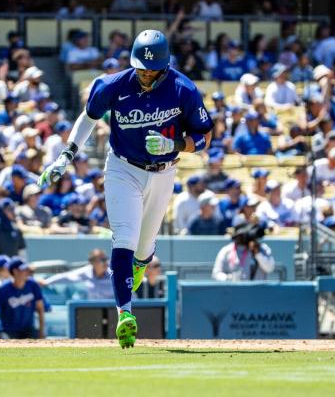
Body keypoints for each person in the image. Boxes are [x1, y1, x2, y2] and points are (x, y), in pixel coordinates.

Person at [39, 29, 214, 349]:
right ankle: (125, 313)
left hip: (164, 172)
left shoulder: (183, 88)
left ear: (164, 67)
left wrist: (174, 143)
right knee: (124, 238)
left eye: (152, 69)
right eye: (141, 67)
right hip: (123, 168)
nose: (145, 74)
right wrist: (66, 156)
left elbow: (205, 137)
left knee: (145, 248)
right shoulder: (113, 84)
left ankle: (137, 267)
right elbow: (88, 117)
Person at [0, 257, 45, 339]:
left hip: (28, 329)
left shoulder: (33, 285)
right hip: (8, 330)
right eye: (23, 269)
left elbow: (40, 308)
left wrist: (41, 332)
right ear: (15, 271)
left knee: (35, 344)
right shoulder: (4, 289)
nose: (27, 272)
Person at [42, 249, 113, 300]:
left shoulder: (114, 274)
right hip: (93, 309)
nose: (106, 262)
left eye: (106, 259)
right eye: (102, 260)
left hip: (112, 310)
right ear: (92, 262)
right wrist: (46, 282)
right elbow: (66, 277)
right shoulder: (86, 272)